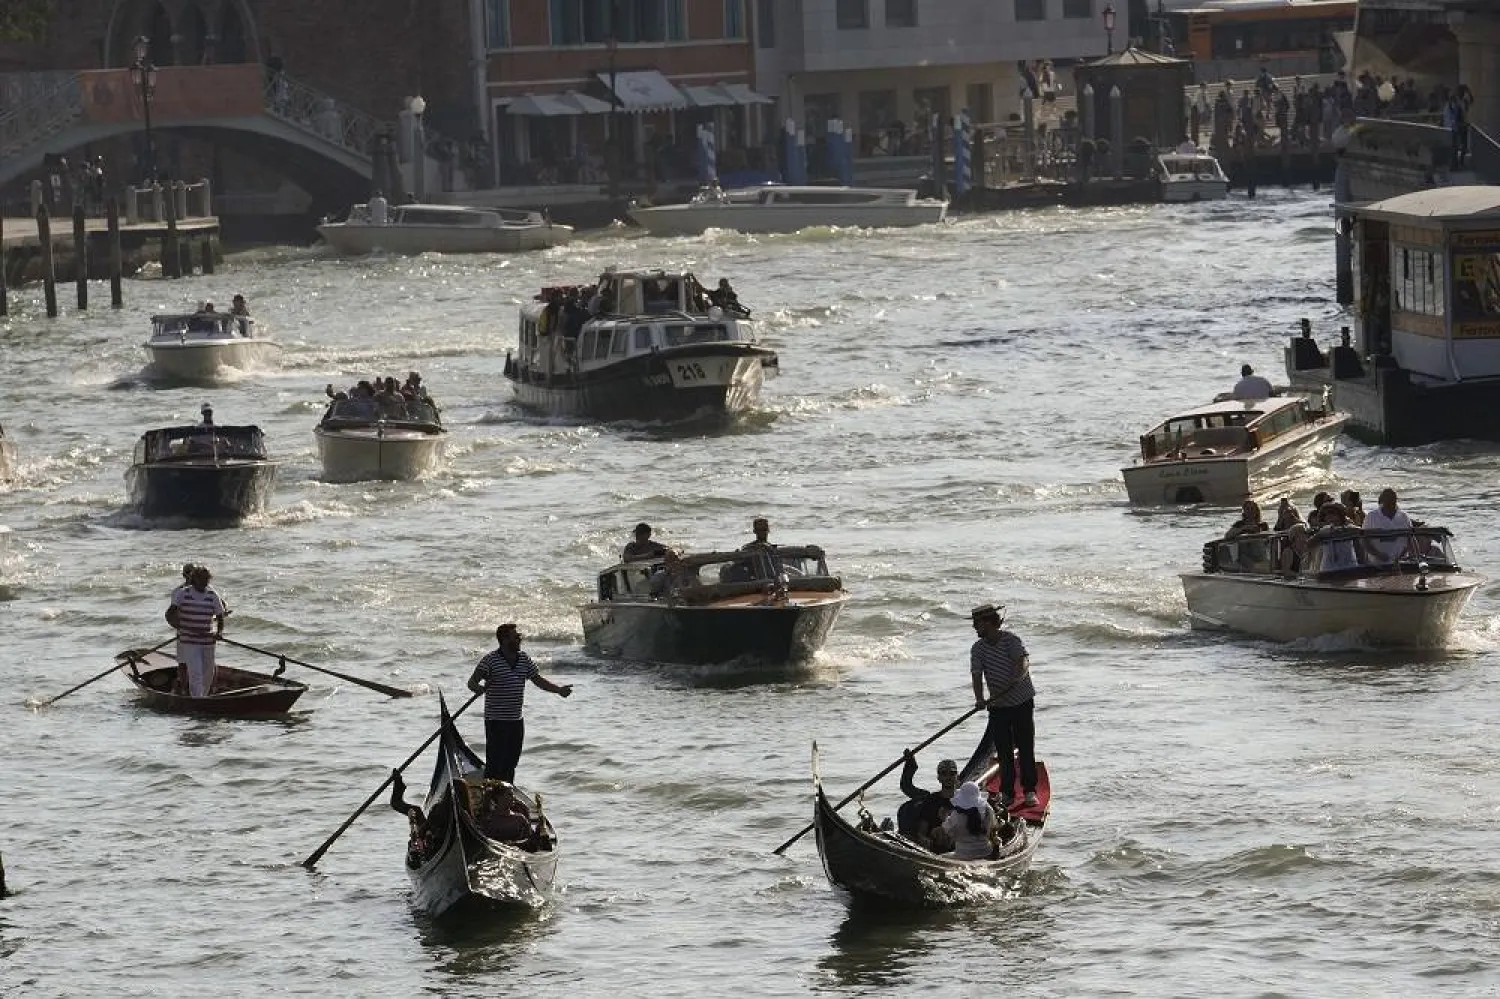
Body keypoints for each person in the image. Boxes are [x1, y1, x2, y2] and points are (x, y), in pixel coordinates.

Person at [466, 624, 573, 783]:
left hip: (516, 720)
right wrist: (479, 689)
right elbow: (471, 682)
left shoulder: (524, 659)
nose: (519, 639)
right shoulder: (490, 660)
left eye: (518, 636)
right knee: (495, 763)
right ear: (504, 640)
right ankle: (490, 795)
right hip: (496, 720)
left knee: (511, 763)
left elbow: (538, 681)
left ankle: (505, 794)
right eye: (515, 637)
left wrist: (558, 690)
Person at [970, 603, 1038, 810]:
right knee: (1003, 751)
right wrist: (980, 699)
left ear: (989, 623)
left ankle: (1029, 791)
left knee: (1025, 747)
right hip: (998, 705)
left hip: (1021, 702)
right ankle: (1007, 793)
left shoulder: (1011, 640)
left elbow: (1023, 661)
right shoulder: (978, 649)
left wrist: (1017, 677)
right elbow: (976, 675)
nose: (974, 628)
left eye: (977, 624)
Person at [165, 565, 228, 697]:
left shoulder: (212, 594)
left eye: (206, 579)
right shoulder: (183, 593)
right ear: (194, 580)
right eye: (201, 579)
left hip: (208, 640)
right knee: (195, 672)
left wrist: (219, 632)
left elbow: (220, 616)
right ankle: (196, 698)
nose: (204, 582)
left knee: (208, 672)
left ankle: (202, 697)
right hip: (189, 640)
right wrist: (180, 627)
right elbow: (169, 614)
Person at [897, 752, 958, 851]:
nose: (948, 777)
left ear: (956, 777)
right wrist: (924, 840)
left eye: (952, 773)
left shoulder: (963, 799)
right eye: (944, 773)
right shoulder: (931, 800)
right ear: (939, 778)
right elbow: (922, 830)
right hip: (934, 846)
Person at [941, 781, 997, 861]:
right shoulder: (988, 809)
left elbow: (948, 831)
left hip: (963, 854)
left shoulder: (957, 814)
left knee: (941, 857)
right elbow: (993, 826)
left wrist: (944, 817)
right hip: (986, 851)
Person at [1363, 487, 1415, 562]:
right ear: (1382, 501)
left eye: (1393, 502)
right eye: (1388, 502)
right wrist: (1378, 555)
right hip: (1377, 564)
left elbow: (1410, 539)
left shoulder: (1404, 517)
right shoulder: (1371, 517)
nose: (1391, 505)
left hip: (1401, 562)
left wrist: (1402, 556)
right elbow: (1364, 541)